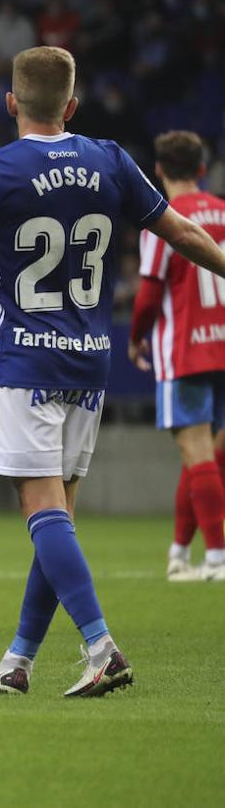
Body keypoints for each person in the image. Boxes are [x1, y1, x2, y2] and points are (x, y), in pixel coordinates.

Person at [0, 46, 225, 697]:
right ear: (72, 106)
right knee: (58, 519)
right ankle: (18, 661)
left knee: (42, 512)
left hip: (23, 361)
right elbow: (181, 234)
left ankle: (101, 646)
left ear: (11, 103)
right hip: (88, 365)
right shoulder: (110, 159)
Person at [129, 130, 225, 581]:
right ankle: (179, 554)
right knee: (205, 458)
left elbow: (149, 293)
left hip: (186, 349)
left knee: (197, 453)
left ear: (159, 170)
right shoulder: (224, 211)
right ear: (202, 170)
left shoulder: (162, 216)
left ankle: (217, 559)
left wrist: (136, 337)